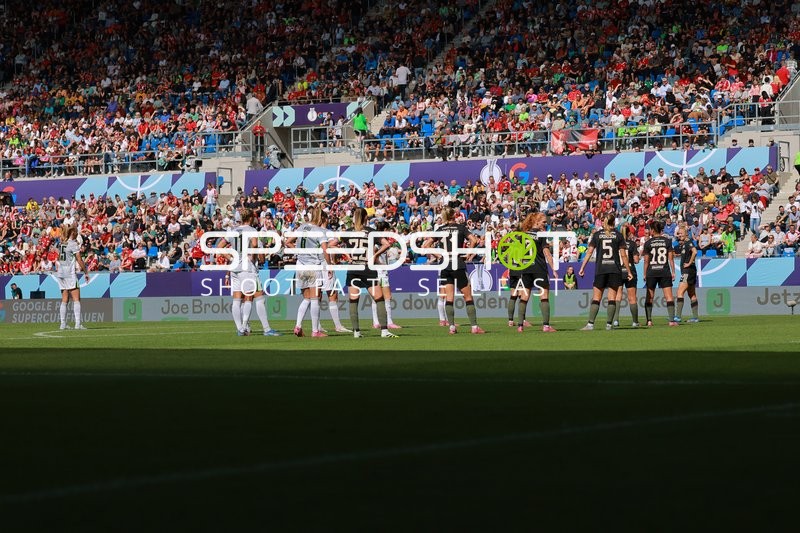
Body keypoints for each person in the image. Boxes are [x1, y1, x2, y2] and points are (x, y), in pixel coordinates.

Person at [424, 207, 485, 334]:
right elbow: (474, 240)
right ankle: (474, 327)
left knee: (449, 297)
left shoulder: (440, 229)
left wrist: (438, 255)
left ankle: (451, 327)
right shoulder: (461, 228)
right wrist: (468, 253)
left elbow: (426, 245)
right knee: (468, 296)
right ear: (454, 216)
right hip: (458, 263)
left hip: (445, 265)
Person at [342, 207, 397, 338]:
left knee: (353, 301)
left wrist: (347, 256)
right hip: (367, 268)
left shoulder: (348, 232)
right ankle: (384, 331)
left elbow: (332, 244)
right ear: (366, 217)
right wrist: (374, 255)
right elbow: (386, 244)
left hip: (353, 268)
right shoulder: (371, 232)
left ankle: (356, 332)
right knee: (379, 299)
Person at [578, 214, 632, 330]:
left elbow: (589, 252)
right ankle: (609, 324)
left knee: (596, 297)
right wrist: (628, 271)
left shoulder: (597, 235)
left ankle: (590, 324)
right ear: (614, 223)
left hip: (601, 269)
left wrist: (582, 267)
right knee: (612, 298)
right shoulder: (618, 235)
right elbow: (623, 255)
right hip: (614, 269)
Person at [507, 212, 558, 333]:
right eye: (544, 222)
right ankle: (546, 326)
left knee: (524, 296)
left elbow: (515, 253)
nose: (545, 224)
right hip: (539, 268)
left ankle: (520, 325)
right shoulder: (540, 235)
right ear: (536, 221)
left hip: (525, 269)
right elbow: (547, 253)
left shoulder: (522, 235)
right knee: (544, 296)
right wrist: (553, 269)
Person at [288, 206, 330, 337]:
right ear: (320, 217)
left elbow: (288, 242)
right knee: (315, 298)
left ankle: (298, 326)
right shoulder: (319, 231)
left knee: (306, 298)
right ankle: (315, 331)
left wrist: (300, 253)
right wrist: (329, 266)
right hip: (313, 266)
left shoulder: (301, 227)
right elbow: (325, 250)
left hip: (300, 265)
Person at [54, 225, 90, 330]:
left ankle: (63, 324)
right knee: (76, 299)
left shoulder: (62, 243)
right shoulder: (73, 244)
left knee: (64, 299)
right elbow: (79, 259)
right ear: (73, 233)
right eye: (77, 233)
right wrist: (86, 272)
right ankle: (78, 324)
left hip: (60, 273)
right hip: (69, 273)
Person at [643, 219, 677, 327]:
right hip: (664, 271)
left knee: (650, 297)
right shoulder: (667, 241)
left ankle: (649, 321)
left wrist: (644, 273)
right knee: (669, 296)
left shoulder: (648, 243)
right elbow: (671, 259)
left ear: (653, 230)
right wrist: (673, 272)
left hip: (652, 272)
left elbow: (646, 261)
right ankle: (671, 321)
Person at [370, 220, 402, 330]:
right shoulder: (379, 242)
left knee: (376, 297)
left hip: (375, 271)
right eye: (388, 230)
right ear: (384, 230)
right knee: (387, 297)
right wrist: (381, 263)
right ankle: (389, 321)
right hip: (381, 271)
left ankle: (375, 322)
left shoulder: (375, 240)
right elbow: (373, 254)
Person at [613, 224, 641, 327]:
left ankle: (615, 320)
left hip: (619, 271)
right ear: (629, 233)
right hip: (630, 271)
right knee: (632, 298)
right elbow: (636, 260)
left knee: (618, 296)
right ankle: (635, 321)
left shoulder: (616, 244)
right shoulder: (632, 244)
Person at [674, 226, 700, 323]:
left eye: (681, 233)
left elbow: (695, 251)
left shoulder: (688, 242)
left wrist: (689, 262)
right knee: (692, 294)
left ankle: (677, 316)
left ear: (686, 234)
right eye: (678, 233)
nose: (679, 235)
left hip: (688, 271)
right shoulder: (685, 244)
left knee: (679, 292)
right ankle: (695, 317)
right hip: (692, 271)